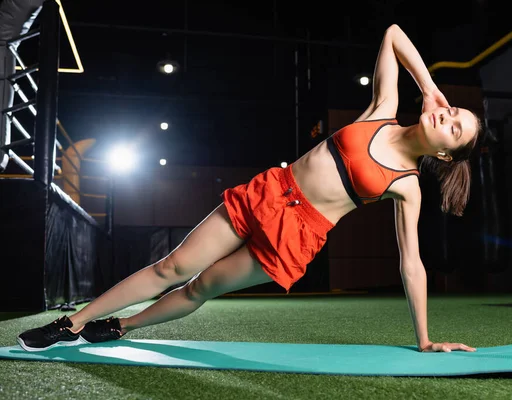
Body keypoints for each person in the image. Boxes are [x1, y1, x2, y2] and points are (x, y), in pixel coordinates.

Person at [18, 24, 480, 354]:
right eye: (453, 110)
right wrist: (432, 86)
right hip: (270, 191)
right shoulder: (384, 106)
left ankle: (121, 326)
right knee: (173, 265)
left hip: (298, 233)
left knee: (202, 287)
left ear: (444, 155)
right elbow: (395, 33)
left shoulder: (408, 186)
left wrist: (423, 338)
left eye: (455, 129)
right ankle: (70, 324)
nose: (447, 116)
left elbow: (412, 264)